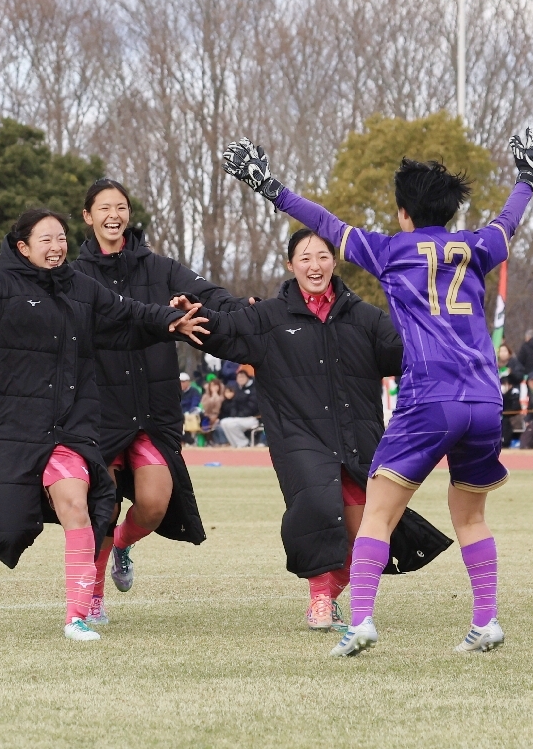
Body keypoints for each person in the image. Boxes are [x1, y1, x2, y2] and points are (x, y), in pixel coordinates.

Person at [223, 127, 533, 656]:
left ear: (403, 212)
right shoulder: (477, 245)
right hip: (486, 400)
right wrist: (527, 177)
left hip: (430, 398)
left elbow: (325, 222)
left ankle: (361, 622)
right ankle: (486, 621)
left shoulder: (392, 250)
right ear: (449, 209)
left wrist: (270, 187)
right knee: (471, 514)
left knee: (377, 509)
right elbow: (509, 219)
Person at [0, 208, 204, 641]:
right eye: (45, 239)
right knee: (10, 521)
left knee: (80, 507)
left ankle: (77, 617)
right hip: (13, 428)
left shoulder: (82, 289)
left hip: (69, 426)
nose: (56, 246)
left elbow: (126, 313)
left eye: (61, 238)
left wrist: (168, 321)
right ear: (23, 247)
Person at [175, 228, 451, 631]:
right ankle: (319, 599)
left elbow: (406, 351)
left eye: (322, 256)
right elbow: (226, 329)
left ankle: (331, 593)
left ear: (334, 262)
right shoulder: (268, 317)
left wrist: (436, 328)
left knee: (370, 532)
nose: (314, 265)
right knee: (317, 508)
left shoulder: (365, 317)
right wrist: (191, 315)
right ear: (291, 265)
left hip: (357, 439)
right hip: (299, 437)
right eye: (304, 258)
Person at [70, 179, 250, 619]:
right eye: (104, 208)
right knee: (103, 505)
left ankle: (123, 546)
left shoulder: (161, 267)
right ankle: (91, 599)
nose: (114, 215)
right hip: (100, 409)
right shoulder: (75, 276)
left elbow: (209, 295)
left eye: (121, 207)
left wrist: (243, 309)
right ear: (88, 216)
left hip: (153, 408)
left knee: (153, 505)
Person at [218, 369, 261, 447]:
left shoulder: (254, 389)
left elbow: (252, 407)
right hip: (239, 417)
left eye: (242, 377)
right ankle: (235, 445)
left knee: (231, 424)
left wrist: (239, 415)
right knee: (224, 422)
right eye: (239, 377)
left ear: (247, 377)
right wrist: (233, 412)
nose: (240, 379)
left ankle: (244, 444)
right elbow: (232, 405)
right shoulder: (236, 389)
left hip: (253, 418)